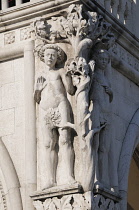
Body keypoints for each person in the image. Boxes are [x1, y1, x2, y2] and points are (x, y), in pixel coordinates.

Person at [34, 44, 76, 189]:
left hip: (60, 106)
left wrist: (71, 76)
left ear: (57, 58)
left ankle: (69, 176)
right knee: (48, 144)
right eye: (47, 55)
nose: (50, 57)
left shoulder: (60, 72)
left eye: (52, 55)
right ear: (43, 57)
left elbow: (70, 91)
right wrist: (38, 91)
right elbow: (37, 98)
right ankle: (51, 179)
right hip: (45, 110)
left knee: (65, 140)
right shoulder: (41, 75)